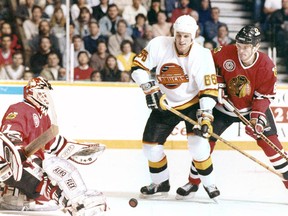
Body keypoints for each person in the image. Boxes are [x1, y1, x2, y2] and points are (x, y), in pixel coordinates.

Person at [181, 25, 288, 199]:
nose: (241, 50)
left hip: (252, 108)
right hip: (224, 108)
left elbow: (263, 97)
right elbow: (206, 63)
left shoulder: (267, 66)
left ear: (257, 46)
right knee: (204, 142)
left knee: (272, 145)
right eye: (239, 45)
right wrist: (218, 83)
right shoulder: (224, 52)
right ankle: (193, 182)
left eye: (246, 47)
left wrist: (257, 120)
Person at [130, 15, 220, 199]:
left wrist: (205, 115)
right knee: (150, 147)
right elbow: (137, 67)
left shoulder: (202, 55)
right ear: (174, 32)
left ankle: (209, 184)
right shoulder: (159, 44)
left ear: (193, 35)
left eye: (186, 36)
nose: (181, 40)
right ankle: (160, 182)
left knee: (198, 145)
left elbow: (209, 90)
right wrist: (151, 89)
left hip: (193, 104)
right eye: (178, 35)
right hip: (166, 103)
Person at [0, 77, 107, 215]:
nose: (47, 95)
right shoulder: (20, 108)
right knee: (50, 170)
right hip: (15, 165)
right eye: (43, 90)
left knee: (55, 165)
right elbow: (10, 133)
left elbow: (52, 143)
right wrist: (18, 152)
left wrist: (77, 149)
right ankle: (74, 205)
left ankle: (78, 198)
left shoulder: (44, 116)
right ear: (33, 92)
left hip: (29, 165)